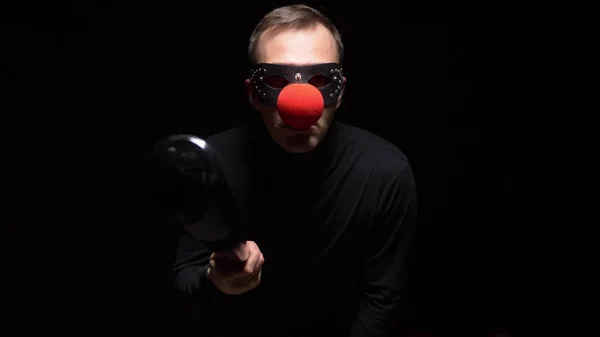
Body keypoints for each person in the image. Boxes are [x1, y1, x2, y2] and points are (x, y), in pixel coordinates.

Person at [172, 4, 417, 337]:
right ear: (253, 94)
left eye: (320, 80)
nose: (299, 103)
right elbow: (185, 284)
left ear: (340, 90)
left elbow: (383, 298)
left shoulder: (385, 172)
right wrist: (217, 281)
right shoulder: (211, 165)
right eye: (275, 80)